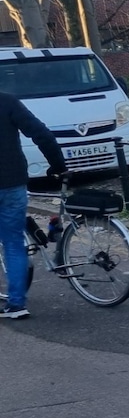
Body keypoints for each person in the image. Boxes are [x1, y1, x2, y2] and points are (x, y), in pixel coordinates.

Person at [1, 88, 68, 319]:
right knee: (13, 244)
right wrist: (58, 165)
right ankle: (17, 304)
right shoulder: (7, 101)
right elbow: (41, 133)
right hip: (13, 182)